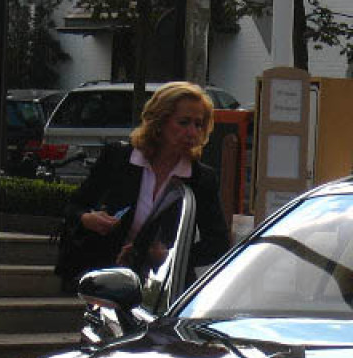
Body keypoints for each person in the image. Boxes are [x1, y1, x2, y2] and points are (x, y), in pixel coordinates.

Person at [54, 81, 231, 293]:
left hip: (160, 289)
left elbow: (218, 243)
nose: (192, 132)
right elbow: (74, 206)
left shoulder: (201, 178)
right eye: (184, 123)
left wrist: (172, 255)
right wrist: (88, 219)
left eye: (199, 124)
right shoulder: (118, 159)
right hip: (105, 279)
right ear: (160, 122)